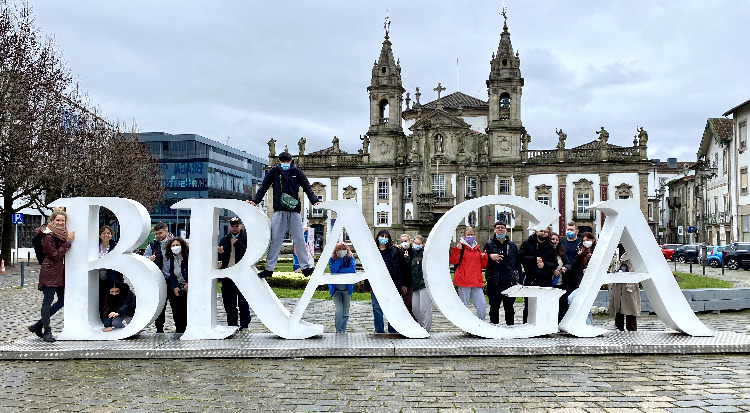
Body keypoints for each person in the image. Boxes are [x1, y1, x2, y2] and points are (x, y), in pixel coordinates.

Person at [250, 150, 320, 278]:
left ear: (291, 161)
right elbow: (264, 186)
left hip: (294, 210)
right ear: (279, 162)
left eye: (287, 162)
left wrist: (314, 200)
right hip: (279, 210)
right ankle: (269, 269)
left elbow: (307, 187)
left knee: (299, 239)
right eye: (283, 162)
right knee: (276, 240)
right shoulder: (274, 171)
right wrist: (255, 201)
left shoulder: (297, 172)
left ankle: (305, 268)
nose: (285, 164)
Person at [28, 208, 75, 343]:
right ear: (52, 221)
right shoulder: (48, 236)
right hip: (49, 272)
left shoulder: (61, 234)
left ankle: (38, 326)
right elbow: (55, 256)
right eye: (58, 220)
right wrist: (69, 243)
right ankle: (47, 331)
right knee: (47, 302)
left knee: (62, 301)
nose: (61, 223)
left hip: (60, 273)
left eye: (63, 220)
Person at [483, 221, 521, 325]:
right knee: (494, 307)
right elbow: (483, 260)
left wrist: (518, 280)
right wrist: (490, 257)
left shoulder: (512, 245)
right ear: (495, 230)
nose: (500, 229)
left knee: (509, 307)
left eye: (502, 228)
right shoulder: (489, 244)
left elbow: (517, 263)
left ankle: (511, 327)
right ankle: (494, 327)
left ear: (506, 230)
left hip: (509, 282)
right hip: (494, 281)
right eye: (498, 227)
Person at [218, 217, 252, 330]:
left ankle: (244, 325)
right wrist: (220, 253)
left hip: (242, 276)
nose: (234, 228)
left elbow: (249, 254)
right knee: (229, 304)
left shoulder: (247, 239)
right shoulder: (224, 239)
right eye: (232, 226)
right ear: (229, 227)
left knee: (243, 303)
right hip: (228, 277)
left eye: (236, 226)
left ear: (240, 226)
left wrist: (237, 244)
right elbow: (220, 258)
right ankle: (232, 325)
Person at [519, 227, 557, 323]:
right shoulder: (527, 243)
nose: (543, 233)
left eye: (545, 232)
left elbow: (554, 264)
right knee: (529, 305)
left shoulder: (550, 246)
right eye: (541, 231)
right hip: (531, 278)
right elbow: (521, 258)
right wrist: (534, 260)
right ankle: (526, 324)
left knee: (544, 305)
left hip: (545, 279)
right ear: (536, 231)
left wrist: (544, 264)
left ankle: (543, 326)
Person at [449, 226, 488, 321]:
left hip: (475, 281)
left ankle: (480, 324)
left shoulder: (477, 248)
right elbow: (453, 261)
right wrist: (456, 250)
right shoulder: (460, 247)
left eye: (472, 234)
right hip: (463, 280)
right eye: (468, 235)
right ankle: (465, 324)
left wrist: (484, 257)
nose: (470, 236)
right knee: (464, 305)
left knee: (482, 304)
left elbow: (482, 265)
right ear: (464, 235)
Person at [369, 229, 404, 333]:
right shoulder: (373, 251)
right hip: (377, 283)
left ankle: (393, 330)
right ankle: (379, 330)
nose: (383, 239)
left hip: (391, 283)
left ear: (389, 239)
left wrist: (401, 284)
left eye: (386, 237)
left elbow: (400, 267)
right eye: (381, 236)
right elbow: (368, 268)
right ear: (377, 238)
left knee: (392, 307)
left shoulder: (394, 251)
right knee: (377, 308)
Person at [142, 222, 174, 333]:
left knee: (176, 305)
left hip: (173, 279)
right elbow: (144, 259)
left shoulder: (175, 243)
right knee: (160, 305)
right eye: (156, 234)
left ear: (166, 231)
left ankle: (180, 328)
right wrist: (149, 259)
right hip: (160, 279)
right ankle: (159, 329)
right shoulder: (152, 245)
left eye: (160, 233)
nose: (158, 236)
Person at [566, 232, 597, 325]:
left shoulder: (596, 253)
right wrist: (579, 256)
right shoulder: (582, 253)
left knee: (572, 299)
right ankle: (588, 323)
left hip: (589, 283)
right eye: (584, 241)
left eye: (588, 240)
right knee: (584, 303)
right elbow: (575, 268)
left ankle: (585, 323)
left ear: (593, 240)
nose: (586, 242)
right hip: (580, 281)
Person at [609, 243, 640, 331]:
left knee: (630, 309)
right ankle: (618, 329)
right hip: (617, 284)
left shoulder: (632, 250)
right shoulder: (615, 250)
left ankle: (632, 331)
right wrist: (611, 284)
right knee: (618, 309)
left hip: (628, 285)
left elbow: (634, 269)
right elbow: (613, 267)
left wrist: (631, 285)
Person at [328, 242, 356, 333]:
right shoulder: (332, 259)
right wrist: (339, 259)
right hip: (336, 290)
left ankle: (343, 330)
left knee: (346, 312)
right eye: (339, 250)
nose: (342, 251)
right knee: (339, 310)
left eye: (344, 250)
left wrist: (339, 271)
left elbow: (352, 269)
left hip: (347, 290)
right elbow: (333, 270)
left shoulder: (350, 258)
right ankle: (338, 330)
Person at [406, 235, 432, 331]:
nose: (417, 245)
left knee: (424, 308)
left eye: (419, 243)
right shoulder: (410, 253)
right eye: (415, 243)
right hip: (415, 285)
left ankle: (427, 328)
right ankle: (422, 326)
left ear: (422, 244)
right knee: (415, 309)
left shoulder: (425, 254)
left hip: (423, 284)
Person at [165, 237, 189, 333]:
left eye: (177, 245)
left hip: (188, 286)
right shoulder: (172, 258)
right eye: (173, 245)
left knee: (186, 310)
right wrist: (174, 286)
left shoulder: (188, 257)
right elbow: (172, 274)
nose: (175, 247)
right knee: (176, 309)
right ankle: (179, 329)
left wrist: (189, 282)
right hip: (178, 286)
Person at [98, 225, 123, 311]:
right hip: (97, 279)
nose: (106, 235)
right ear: (99, 235)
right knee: (99, 300)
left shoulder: (115, 248)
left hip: (110, 278)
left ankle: (108, 320)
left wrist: (120, 281)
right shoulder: (94, 247)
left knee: (109, 301)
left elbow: (119, 265)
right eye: (103, 233)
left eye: (108, 233)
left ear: (111, 235)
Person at [550, 232, 573, 322]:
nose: (555, 241)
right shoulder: (546, 252)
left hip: (561, 283)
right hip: (550, 283)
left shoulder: (562, 253)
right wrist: (552, 270)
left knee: (562, 305)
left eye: (556, 239)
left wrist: (565, 268)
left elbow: (568, 263)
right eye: (553, 239)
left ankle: (560, 322)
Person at [397, 233, 415, 320]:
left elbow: (411, 269)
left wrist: (408, 259)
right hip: (401, 281)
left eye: (405, 241)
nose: (404, 243)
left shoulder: (413, 251)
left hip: (409, 282)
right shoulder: (399, 252)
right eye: (402, 241)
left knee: (409, 304)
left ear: (409, 241)